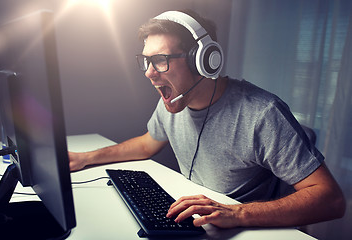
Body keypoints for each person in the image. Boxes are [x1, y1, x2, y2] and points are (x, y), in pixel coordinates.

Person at [69, 10, 346, 229]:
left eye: (161, 60)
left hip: (245, 228)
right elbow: (147, 143)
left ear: (203, 60)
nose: (149, 73)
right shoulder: (172, 100)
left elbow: (331, 199)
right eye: (145, 61)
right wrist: (86, 158)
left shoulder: (262, 114)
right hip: (202, 222)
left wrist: (237, 213)